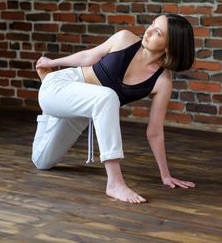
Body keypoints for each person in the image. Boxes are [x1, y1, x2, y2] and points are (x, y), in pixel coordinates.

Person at [32, 13, 196, 204]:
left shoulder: (162, 82)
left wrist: (165, 175)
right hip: (61, 84)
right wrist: (52, 63)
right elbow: (88, 56)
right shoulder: (125, 38)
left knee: (42, 162)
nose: (148, 31)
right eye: (152, 24)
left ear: (170, 45)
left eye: (157, 32)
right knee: (109, 96)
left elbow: (155, 132)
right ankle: (115, 183)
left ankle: (49, 114)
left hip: (83, 109)